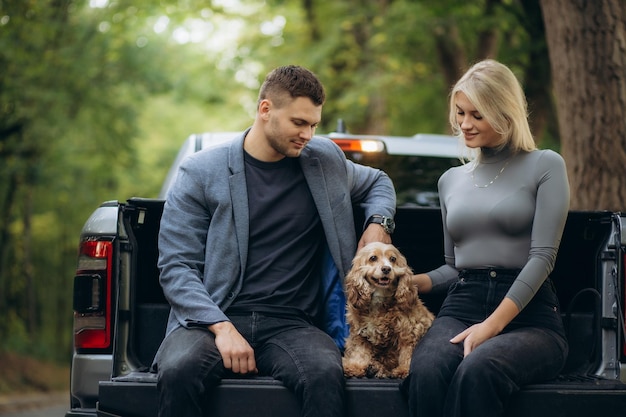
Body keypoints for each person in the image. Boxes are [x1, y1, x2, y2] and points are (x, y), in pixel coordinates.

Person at [152, 65, 396, 417]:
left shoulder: (323, 161)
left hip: (292, 323)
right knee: (177, 372)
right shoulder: (201, 171)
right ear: (266, 110)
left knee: (325, 375)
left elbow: (378, 182)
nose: (308, 134)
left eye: (314, 124)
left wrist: (378, 225)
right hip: (213, 318)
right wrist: (222, 328)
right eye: (299, 123)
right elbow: (176, 268)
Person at [401, 59, 570, 417]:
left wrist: (491, 326)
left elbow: (542, 258)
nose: (464, 124)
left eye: (477, 115)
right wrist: (406, 283)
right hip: (461, 305)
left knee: (479, 369)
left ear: (505, 112)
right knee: (426, 371)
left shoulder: (546, 165)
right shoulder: (450, 180)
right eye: (460, 113)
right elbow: (452, 267)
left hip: (529, 316)